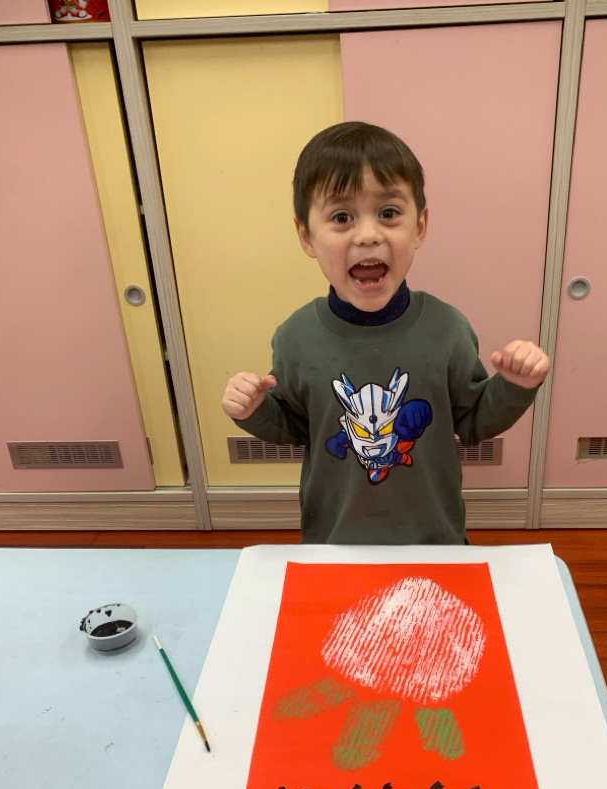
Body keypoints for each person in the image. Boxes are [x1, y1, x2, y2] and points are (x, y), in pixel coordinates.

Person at [221, 122, 550, 544]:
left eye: (389, 213)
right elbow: (296, 426)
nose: (368, 235)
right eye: (342, 217)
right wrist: (253, 410)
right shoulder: (295, 337)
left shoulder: (448, 329)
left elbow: (472, 421)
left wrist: (516, 386)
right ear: (306, 236)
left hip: (434, 542)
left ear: (420, 226)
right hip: (333, 542)